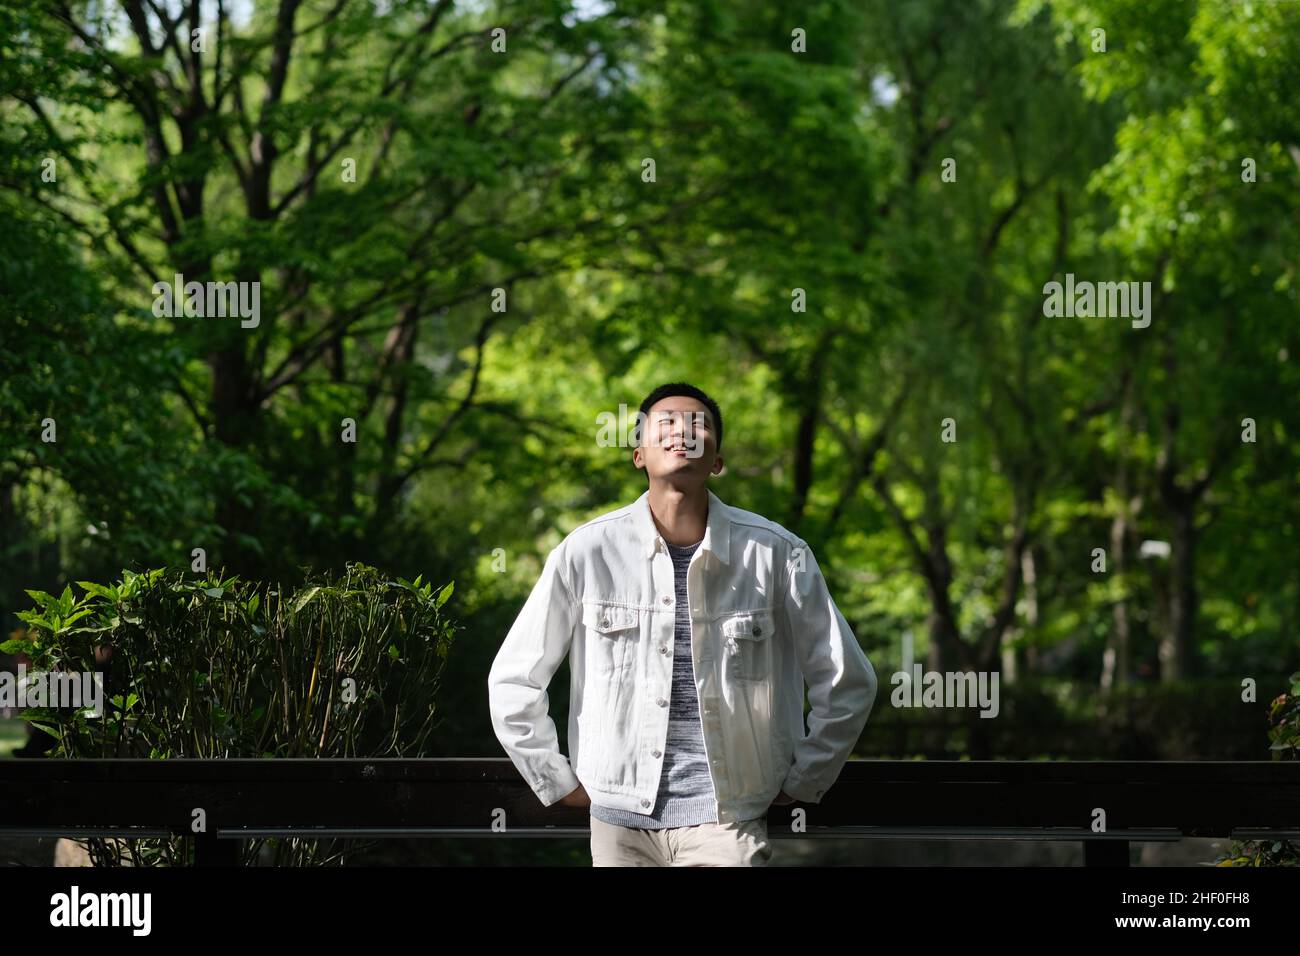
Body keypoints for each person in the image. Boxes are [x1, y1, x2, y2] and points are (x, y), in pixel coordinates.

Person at [488, 382, 877, 866]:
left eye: (699, 425)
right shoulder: (587, 553)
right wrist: (555, 779)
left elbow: (847, 680)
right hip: (619, 820)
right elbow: (513, 680)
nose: (683, 432)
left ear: (717, 462)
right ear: (638, 455)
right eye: (666, 422)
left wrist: (805, 779)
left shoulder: (776, 554)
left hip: (727, 820)